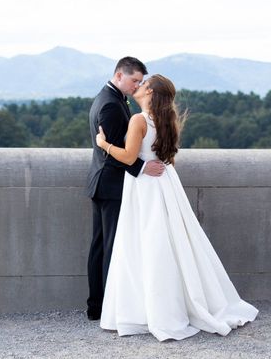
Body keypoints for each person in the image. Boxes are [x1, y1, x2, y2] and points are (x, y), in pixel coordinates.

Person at [95, 74, 258, 341]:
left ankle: (149, 310)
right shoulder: (167, 120)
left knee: (145, 243)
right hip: (166, 183)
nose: (138, 86)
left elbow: (127, 156)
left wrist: (104, 144)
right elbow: (169, 158)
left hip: (146, 186)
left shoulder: (138, 120)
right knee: (169, 243)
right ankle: (171, 306)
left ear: (149, 93)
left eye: (142, 84)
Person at [85, 57, 165, 321]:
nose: (136, 86)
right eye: (134, 81)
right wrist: (142, 168)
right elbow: (114, 153)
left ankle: (97, 306)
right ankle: (108, 307)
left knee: (101, 246)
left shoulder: (110, 97)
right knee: (111, 247)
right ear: (119, 75)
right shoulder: (110, 105)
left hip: (103, 184)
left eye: (140, 82)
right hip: (111, 185)